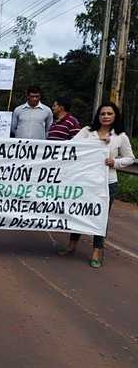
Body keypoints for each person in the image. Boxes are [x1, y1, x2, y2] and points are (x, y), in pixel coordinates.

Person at [62, 103, 135, 268]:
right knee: (79, 212)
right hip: (85, 181)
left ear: (115, 116)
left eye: (110, 113)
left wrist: (114, 162)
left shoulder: (120, 136)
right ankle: (72, 244)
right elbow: (71, 146)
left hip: (107, 183)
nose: (106, 116)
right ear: (98, 116)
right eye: (103, 113)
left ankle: (97, 251)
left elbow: (130, 158)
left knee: (100, 218)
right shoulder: (87, 131)